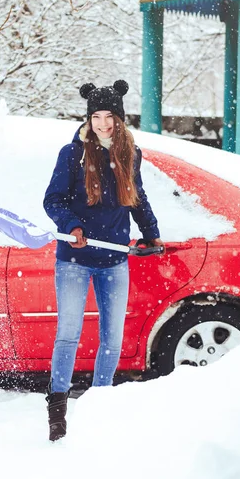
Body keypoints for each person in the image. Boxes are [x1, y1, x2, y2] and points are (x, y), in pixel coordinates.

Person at [43, 80, 164, 441]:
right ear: (88, 117)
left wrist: (151, 231)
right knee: (68, 335)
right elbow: (53, 200)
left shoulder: (130, 153)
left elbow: (136, 196)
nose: (102, 124)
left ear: (119, 118)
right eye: (95, 116)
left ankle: (99, 406)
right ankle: (57, 415)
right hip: (75, 259)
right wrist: (72, 225)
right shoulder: (72, 154)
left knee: (111, 339)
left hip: (114, 258)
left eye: (109, 116)